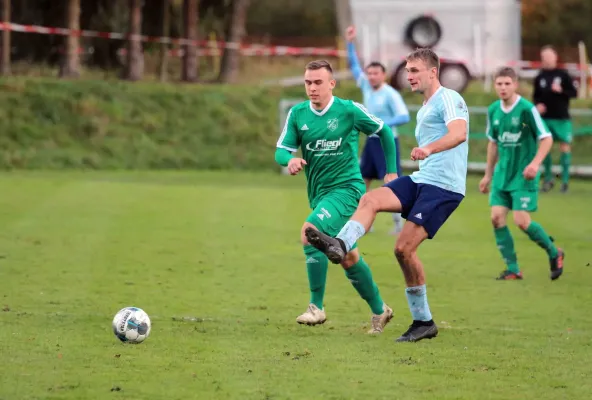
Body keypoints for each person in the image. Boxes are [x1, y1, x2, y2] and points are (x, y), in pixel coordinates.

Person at [305, 48, 469, 343]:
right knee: (371, 198)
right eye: (407, 71)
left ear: (433, 72)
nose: (408, 76)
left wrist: (429, 149)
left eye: (414, 71)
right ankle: (341, 244)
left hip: (444, 187)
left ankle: (424, 322)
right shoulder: (426, 105)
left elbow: (459, 133)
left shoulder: (449, 98)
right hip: (423, 179)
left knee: (403, 249)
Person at [274, 59, 399, 334]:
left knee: (310, 232)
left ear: (331, 84)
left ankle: (316, 307)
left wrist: (391, 172)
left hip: (348, 190)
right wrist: (290, 160)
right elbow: (281, 150)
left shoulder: (348, 110)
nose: (312, 88)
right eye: (308, 82)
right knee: (348, 257)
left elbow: (384, 131)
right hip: (320, 194)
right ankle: (380, 310)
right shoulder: (298, 114)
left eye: (318, 82)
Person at [480, 67, 565, 281]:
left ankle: (554, 252)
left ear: (515, 84)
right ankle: (513, 269)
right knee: (496, 218)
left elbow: (546, 138)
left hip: (523, 174)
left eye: (507, 83)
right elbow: (493, 144)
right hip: (502, 174)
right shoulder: (493, 110)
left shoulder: (527, 109)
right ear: (495, 85)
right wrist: (488, 175)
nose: (503, 87)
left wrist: (535, 164)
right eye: (499, 83)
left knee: (522, 221)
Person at [345, 25, 410, 234]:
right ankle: (364, 221)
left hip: (387, 142)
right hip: (371, 142)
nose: (371, 77)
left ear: (383, 75)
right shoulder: (366, 85)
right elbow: (354, 66)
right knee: (363, 180)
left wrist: (382, 126)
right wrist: (349, 42)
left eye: (376, 73)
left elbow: (404, 116)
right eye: (369, 73)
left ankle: (399, 224)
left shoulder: (390, 94)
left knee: (391, 182)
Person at [533, 45, 577, 193]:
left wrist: (562, 91)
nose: (546, 59)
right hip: (545, 119)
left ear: (555, 57)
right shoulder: (540, 77)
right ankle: (548, 179)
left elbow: (573, 93)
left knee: (564, 146)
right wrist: (537, 105)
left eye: (549, 56)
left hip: (562, 118)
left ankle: (565, 181)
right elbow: (536, 96)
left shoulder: (563, 75)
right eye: (544, 57)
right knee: (545, 149)